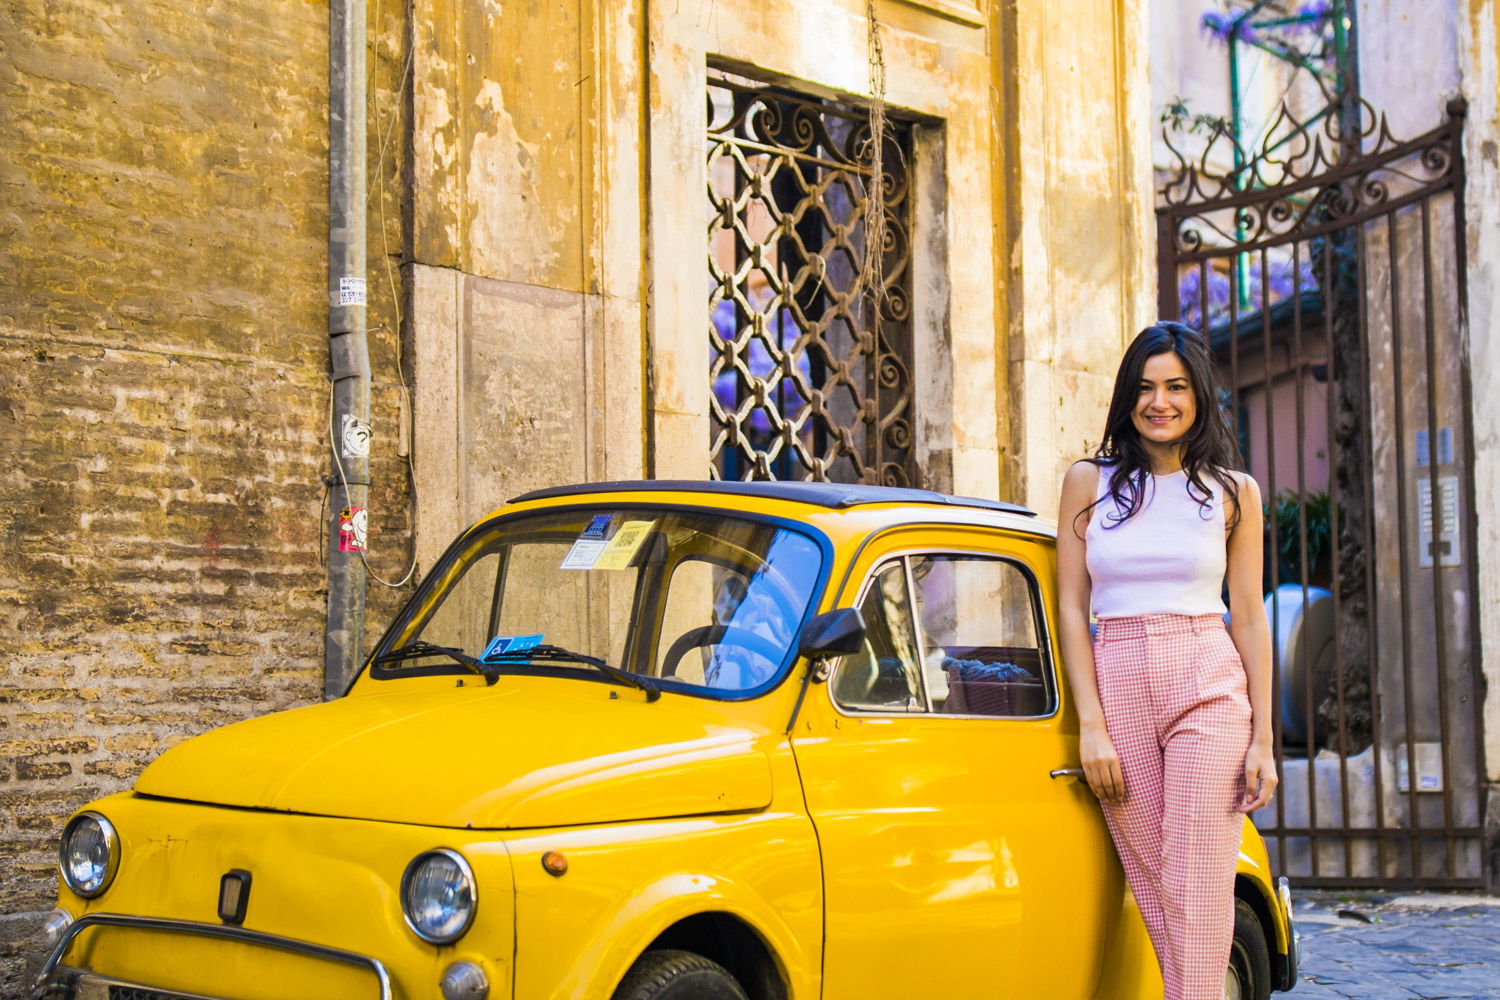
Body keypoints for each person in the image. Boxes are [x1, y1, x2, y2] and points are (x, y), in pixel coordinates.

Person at [1056, 321, 1278, 1000]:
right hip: (1117, 675)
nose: (1160, 401)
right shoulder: (1088, 483)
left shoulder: (1234, 492)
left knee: (1199, 882)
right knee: (1157, 885)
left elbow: (1248, 613)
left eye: (1176, 387)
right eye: (1146, 388)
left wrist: (1264, 739)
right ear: (1127, 398)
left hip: (1206, 676)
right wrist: (1091, 724)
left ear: (1200, 396)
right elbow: (1071, 607)